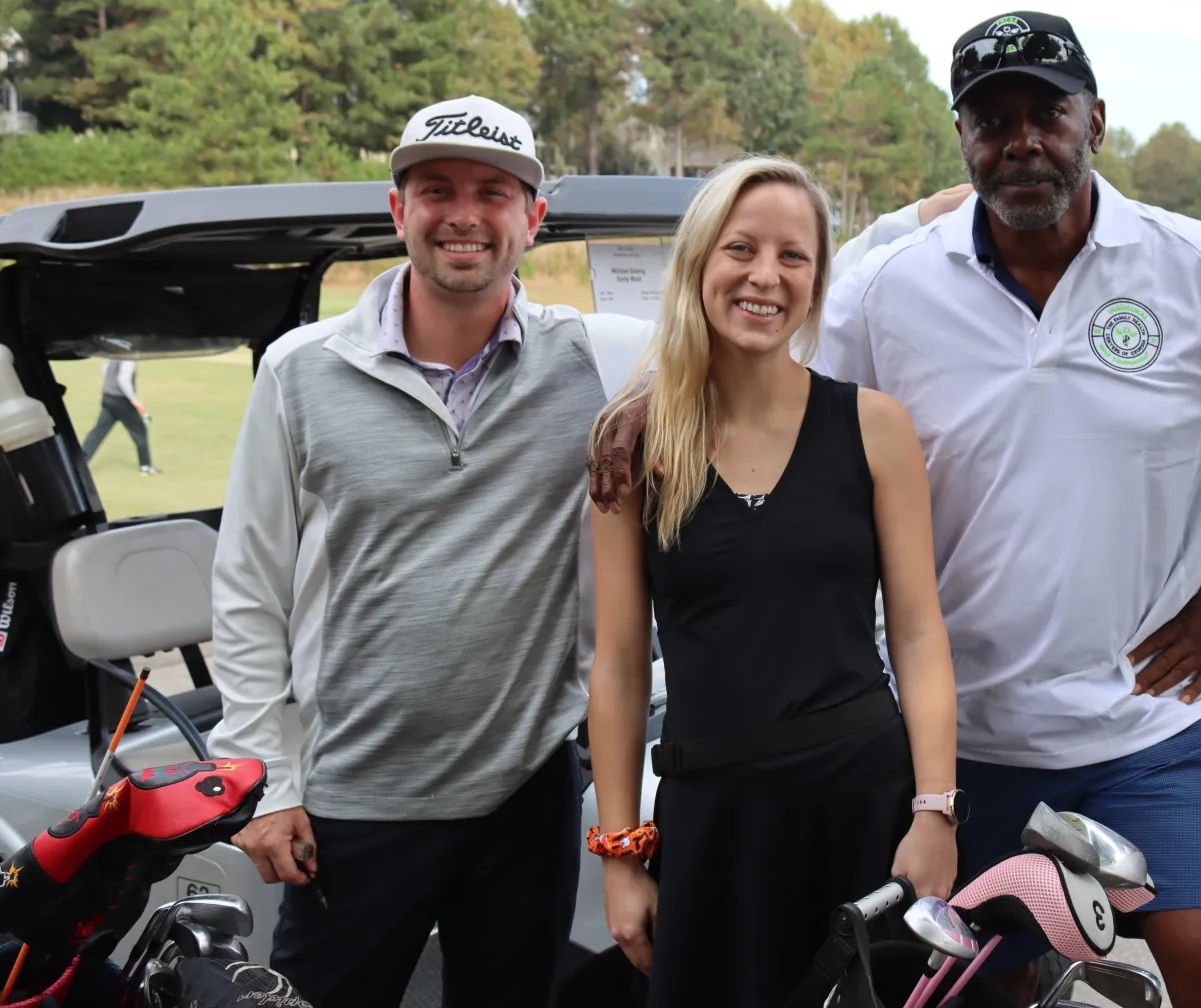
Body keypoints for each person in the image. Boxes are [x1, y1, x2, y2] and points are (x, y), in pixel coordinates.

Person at [589, 11, 1201, 1008]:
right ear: (961, 139)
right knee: (949, 995)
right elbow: (762, 362)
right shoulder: (888, 290)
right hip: (960, 745)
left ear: (1096, 118)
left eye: (1047, 111)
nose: (1022, 140)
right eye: (990, 118)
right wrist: (649, 399)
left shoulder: (1197, 266)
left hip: (1152, 725)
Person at [206, 94, 654, 1008]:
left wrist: (919, 216)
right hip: (350, 805)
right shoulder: (300, 370)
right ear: (396, 209)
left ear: (532, 219)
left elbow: (758, 317)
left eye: (494, 192)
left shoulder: (597, 361)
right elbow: (250, 588)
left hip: (524, 795)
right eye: (437, 188)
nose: (464, 213)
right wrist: (265, 779)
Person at [584, 155, 961, 1008]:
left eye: (794, 256)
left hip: (862, 808)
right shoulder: (632, 443)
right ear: (698, 263)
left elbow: (918, 632)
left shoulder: (873, 427)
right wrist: (620, 855)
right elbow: (616, 664)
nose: (766, 276)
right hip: (713, 824)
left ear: (820, 279)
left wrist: (934, 811)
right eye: (741, 248)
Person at [81, 358, 158, 474]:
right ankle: (145, 466)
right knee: (139, 430)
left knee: (98, 432)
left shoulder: (114, 355)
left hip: (107, 397)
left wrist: (109, 384)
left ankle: (80, 463)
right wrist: (135, 401)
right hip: (121, 401)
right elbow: (124, 379)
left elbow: (104, 369)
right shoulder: (129, 358)